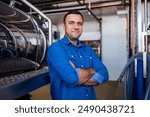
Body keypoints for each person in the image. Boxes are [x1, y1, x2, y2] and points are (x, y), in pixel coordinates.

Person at [47, 10, 109, 100]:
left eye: (79, 23)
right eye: (71, 23)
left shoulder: (88, 49)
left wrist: (79, 75)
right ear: (65, 26)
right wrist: (92, 71)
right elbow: (72, 78)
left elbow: (104, 74)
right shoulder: (56, 49)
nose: (76, 27)